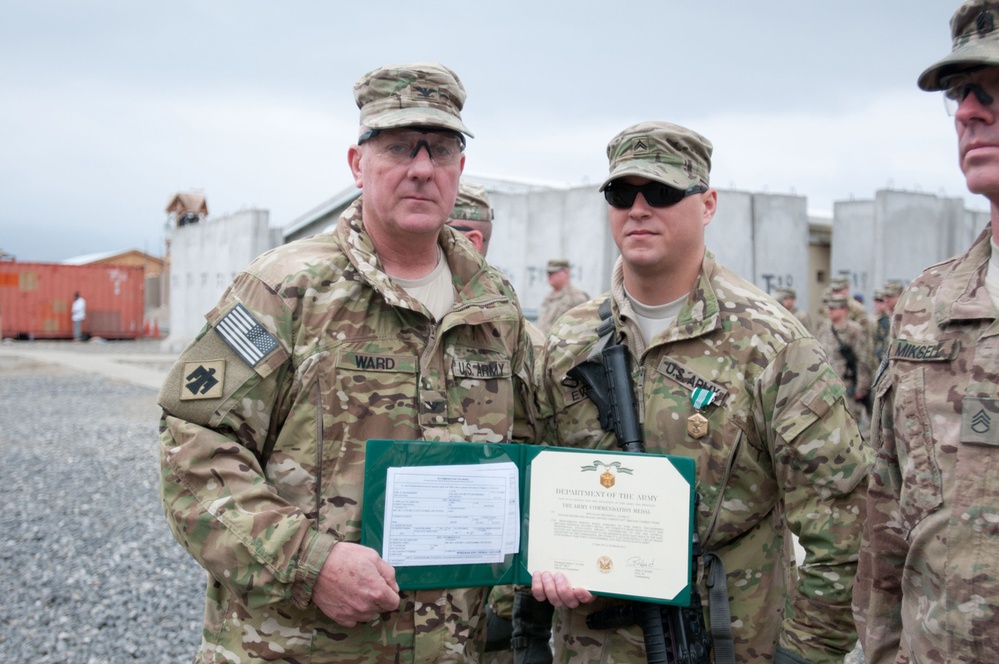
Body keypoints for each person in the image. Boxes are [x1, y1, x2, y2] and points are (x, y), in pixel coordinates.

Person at [157, 62, 538, 663]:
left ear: (459, 170)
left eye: (440, 149)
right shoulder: (284, 288)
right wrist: (310, 563)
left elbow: (527, 449)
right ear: (358, 164)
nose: (421, 167)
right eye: (397, 147)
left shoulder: (493, 305)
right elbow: (192, 450)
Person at [534, 121, 869, 664]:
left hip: (727, 640)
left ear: (707, 204)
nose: (639, 209)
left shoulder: (771, 344)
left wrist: (803, 655)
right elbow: (532, 487)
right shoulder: (568, 340)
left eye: (662, 193)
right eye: (622, 194)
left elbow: (843, 524)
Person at [854, 2, 999, 660]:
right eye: (962, 93)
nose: (969, 112)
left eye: (995, 88)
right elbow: (886, 521)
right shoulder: (924, 304)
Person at [446, 179, 545, 663]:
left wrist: (509, 602)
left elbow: (533, 453)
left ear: (473, 238)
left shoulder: (508, 326)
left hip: (479, 606)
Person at [816, 295, 871, 424]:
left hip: (846, 386)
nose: (830, 311)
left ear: (844, 309)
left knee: (849, 426)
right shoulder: (824, 328)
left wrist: (862, 388)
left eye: (834, 308)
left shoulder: (854, 330)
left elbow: (863, 360)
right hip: (826, 385)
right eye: (829, 308)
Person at [536, 258, 588, 333]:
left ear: (566, 272)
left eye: (553, 272)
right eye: (548, 273)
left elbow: (582, 328)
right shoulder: (548, 298)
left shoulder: (577, 298)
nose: (549, 276)